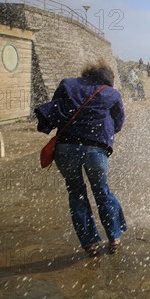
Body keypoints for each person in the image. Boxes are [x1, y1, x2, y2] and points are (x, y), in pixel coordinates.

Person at [34, 59, 127, 256]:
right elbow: (118, 123)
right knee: (102, 192)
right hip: (95, 149)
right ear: (109, 77)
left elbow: (56, 108)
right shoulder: (111, 93)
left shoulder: (68, 84)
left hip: (66, 148)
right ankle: (114, 237)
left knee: (76, 194)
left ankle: (90, 243)